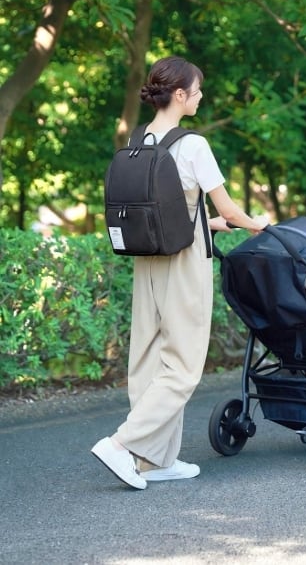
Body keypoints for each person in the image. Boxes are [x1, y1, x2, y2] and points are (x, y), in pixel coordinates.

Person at [91, 55, 269, 489]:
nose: (201, 96)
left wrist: (211, 223)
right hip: (184, 261)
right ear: (179, 94)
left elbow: (170, 209)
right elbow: (229, 207)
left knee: (149, 359)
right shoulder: (193, 145)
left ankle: (156, 460)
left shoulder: (139, 138)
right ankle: (122, 445)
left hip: (147, 256)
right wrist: (255, 225)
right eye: (197, 90)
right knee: (184, 364)